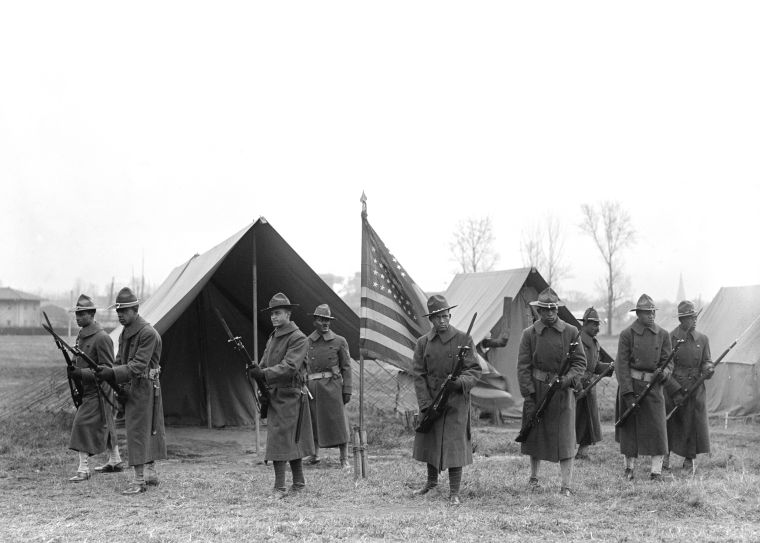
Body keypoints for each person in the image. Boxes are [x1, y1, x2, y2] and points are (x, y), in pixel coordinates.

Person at [95, 287, 167, 494]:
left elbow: (137, 366)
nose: (120, 315)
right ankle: (149, 474)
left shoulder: (148, 333)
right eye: (118, 311)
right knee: (143, 431)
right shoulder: (125, 333)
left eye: (124, 310)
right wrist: (113, 379)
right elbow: (120, 361)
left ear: (135, 310)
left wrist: (111, 373)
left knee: (140, 432)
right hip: (131, 386)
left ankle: (139, 480)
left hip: (145, 387)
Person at [411, 295, 481, 506]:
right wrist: (425, 403)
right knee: (431, 441)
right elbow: (418, 374)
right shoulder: (423, 343)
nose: (443, 321)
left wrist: (459, 383)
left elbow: (474, 370)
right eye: (438, 317)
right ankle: (431, 483)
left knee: (454, 445)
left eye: (446, 316)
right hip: (432, 400)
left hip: (456, 401)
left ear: (450, 315)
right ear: (431, 319)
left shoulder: (463, 340)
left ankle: (454, 492)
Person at [517, 287, 586, 497]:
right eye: (544, 310)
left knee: (565, 437)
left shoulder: (571, 332)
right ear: (538, 310)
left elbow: (580, 362)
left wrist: (566, 380)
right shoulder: (529, 334)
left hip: (562, 392)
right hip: (538, 390)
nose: (549, 313)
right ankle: (534, 477)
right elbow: (523, 366)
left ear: (557, 309)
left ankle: (566, 484)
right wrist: (528, 395)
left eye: (552, 309)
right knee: (534, 434)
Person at [248, 292, 314, 497]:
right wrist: (255, 370)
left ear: (288, 314)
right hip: (275, 394)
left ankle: (280, 487)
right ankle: (299, 484)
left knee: (283, 440)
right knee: (288, 440)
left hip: (291, 395)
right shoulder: (273, 337)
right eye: (272, 314)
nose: (273, 317)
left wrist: (264, 374)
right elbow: (266, 363)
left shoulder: (298, 338)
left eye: (278, 313)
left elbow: (290, 367)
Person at [614, 293, 673, 481]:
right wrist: (628, 392)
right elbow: (621, 365)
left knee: (658, 428)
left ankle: (656, 471)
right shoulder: (627, 335)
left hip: (654, 387)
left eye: (653, 312)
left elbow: (668, 362)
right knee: (630, 429)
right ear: (638, 313)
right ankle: (629, 468)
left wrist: (663, 374)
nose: (651, 315)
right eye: (647, 312)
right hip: (632, 385)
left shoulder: (663, 335)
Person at [66, 294, 122, 482]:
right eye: (77, 314)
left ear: (91, 314)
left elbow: (106, 369)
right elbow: (80, 360)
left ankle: (84, 469)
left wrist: (81, 374)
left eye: (82, 314)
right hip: (88, 389)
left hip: (100, 390)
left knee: (81, 423)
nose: (78, 317)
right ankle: (115, 460)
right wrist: (73, 367)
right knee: (107, 424)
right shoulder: (82, 336)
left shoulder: (102, 338)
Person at [663, 300, 714, 472]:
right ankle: (665, 456)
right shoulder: (670, 338)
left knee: (693, 423)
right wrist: (675, 390)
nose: (695, 320)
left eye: (695, 316)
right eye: (691, 317)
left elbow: (707, 361)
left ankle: (689, 459)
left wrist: (708, 369)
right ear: (682, 319)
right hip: (674, 386)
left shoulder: (703, 339)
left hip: (695, 388)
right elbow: (665, 367)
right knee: (671, 423)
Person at [304, 304, 352, 470]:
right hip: (313, 388)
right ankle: (314, 454)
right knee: (314, 421)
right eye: (321, 319)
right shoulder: (306, 342)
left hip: (333, 387)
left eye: (327, 320)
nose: (325, 323)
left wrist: (347, 389)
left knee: (338, 422)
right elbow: (302, 365)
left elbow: (346, 367)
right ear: (315, 321)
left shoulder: (340, 341)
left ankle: (344, 458)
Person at [575, 307, 612, 460]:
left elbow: (594, 366)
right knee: (573, 420)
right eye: (594, 325)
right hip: (576, 385)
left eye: (598, 325)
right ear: (585, 324)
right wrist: (577, 384)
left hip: (589, 387)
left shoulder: (595, 344)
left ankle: (582, 453)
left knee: (588, 420)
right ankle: (566, 451)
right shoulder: (577, 340)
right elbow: (573, 365)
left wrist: (609, 366)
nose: (597, 328)